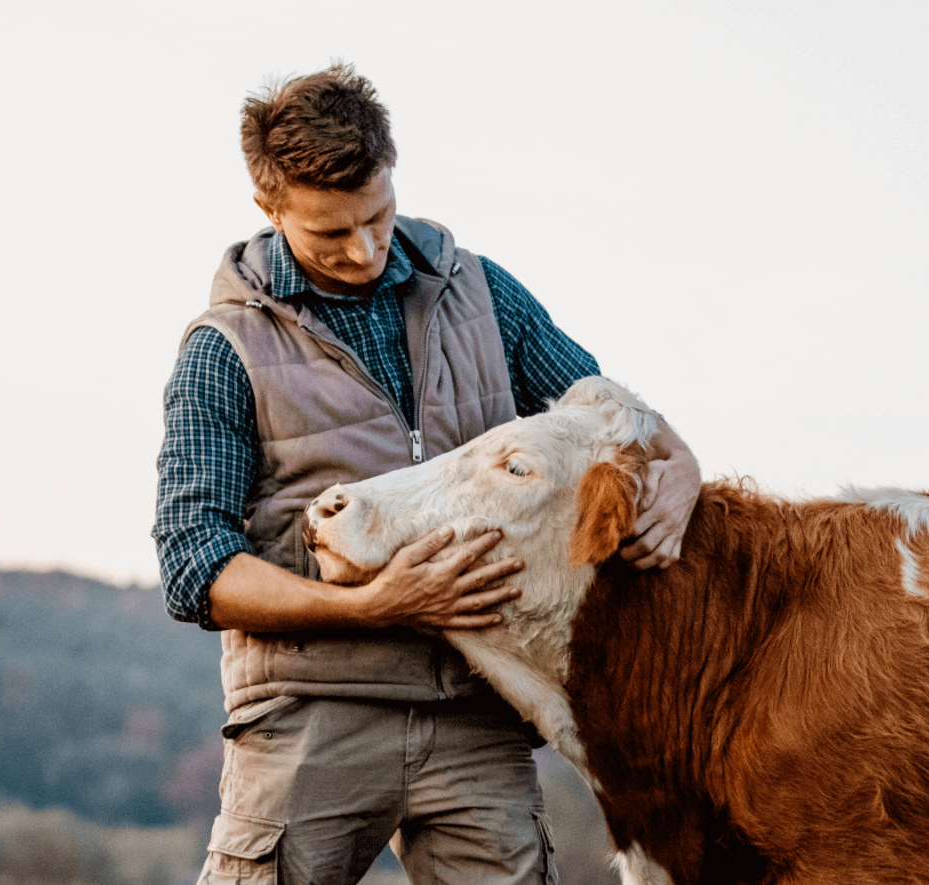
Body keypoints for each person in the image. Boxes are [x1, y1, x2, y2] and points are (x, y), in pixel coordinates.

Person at [155, 63, 701, 885]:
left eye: (377, 216)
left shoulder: (480, 292)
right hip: (315, 714)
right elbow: (194, 566)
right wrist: (368, 606)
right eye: (330, 233)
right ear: (269, 208)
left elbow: (603, 413)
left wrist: (683, 464)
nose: (365, 248)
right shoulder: (223, 351)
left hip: (479, 711)